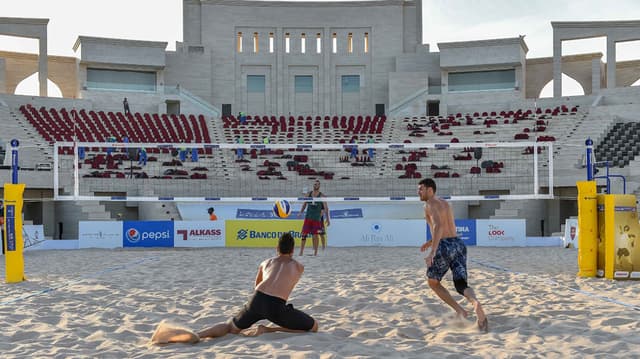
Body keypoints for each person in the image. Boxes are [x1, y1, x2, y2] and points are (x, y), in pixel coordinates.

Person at [150, 233, 318, 344]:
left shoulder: (266, 262)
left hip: (257, 299)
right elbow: (286, 286)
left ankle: (198, 335)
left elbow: (256, 285)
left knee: (231, 327)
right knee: (313, 327)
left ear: (276, 248)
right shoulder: (298, 266)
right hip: (276, 305)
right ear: (293, 250)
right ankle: (267, 329)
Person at [418, 178, 488, 332]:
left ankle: (460, 310)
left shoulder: (429, 204)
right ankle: (475, 303)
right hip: (458, 244)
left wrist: (433, 251)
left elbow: (439, 225)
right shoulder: (445, 203)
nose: (418, 192)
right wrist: (431, 241)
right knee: (461, 284)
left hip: (443, 246)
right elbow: (447, 228)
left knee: (433, 282)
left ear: (430, 190)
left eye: (421, 189)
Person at [299, 180, 329, 256]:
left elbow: (326, 208)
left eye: (317, 184)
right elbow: (304, 204)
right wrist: (300, 212)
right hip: (308, 217)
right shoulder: (308, 194)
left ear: (319, 186)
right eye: (314, 184)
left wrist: (327, 219)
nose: (315, 185)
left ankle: (316, 252)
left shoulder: (322, 196)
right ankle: (301, 252)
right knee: (304, 234)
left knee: (316, 235)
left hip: (316, 219)